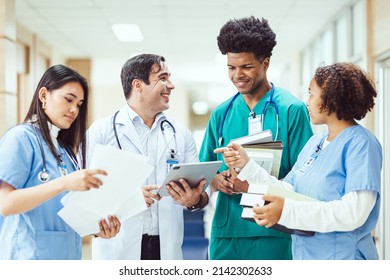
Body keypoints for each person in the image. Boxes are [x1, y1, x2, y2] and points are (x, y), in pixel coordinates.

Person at [216, 62, 382, 260]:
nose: (307, 102)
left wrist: (286, 211)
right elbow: (287, 189)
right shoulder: (316, 143)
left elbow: (353, 212)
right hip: (307, 256)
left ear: (332, 100)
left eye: (311, 94)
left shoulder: (361, 144)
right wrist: (247, 165)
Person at [199, 16, 313, 260]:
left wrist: (252, 184)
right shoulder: (221, 114)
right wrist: (219, 181)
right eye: (231, 67)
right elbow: (204, 169)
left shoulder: (291, 110)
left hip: (274, 231)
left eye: (246, 67)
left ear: (265, 62)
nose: (237, 75)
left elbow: (305, 178)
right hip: (227, 233)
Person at [87, 53, 208, 260]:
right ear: (137, 85)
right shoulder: (102, 131)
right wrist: (129, 198)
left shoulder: (180, 134)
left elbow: (202, 195)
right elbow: (85, 193)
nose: (171, 85)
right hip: (119, 247)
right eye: (162, 78)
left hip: (166, 248)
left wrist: (194, 200)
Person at [0, 65, 121, 260]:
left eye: (79, 104)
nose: (74, 110)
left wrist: (97, 229)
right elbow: (5, 204)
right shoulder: (21, 138)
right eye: (68, 99)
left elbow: (65, 211)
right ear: (43, 95)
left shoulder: (63, 150)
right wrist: (63, 183)